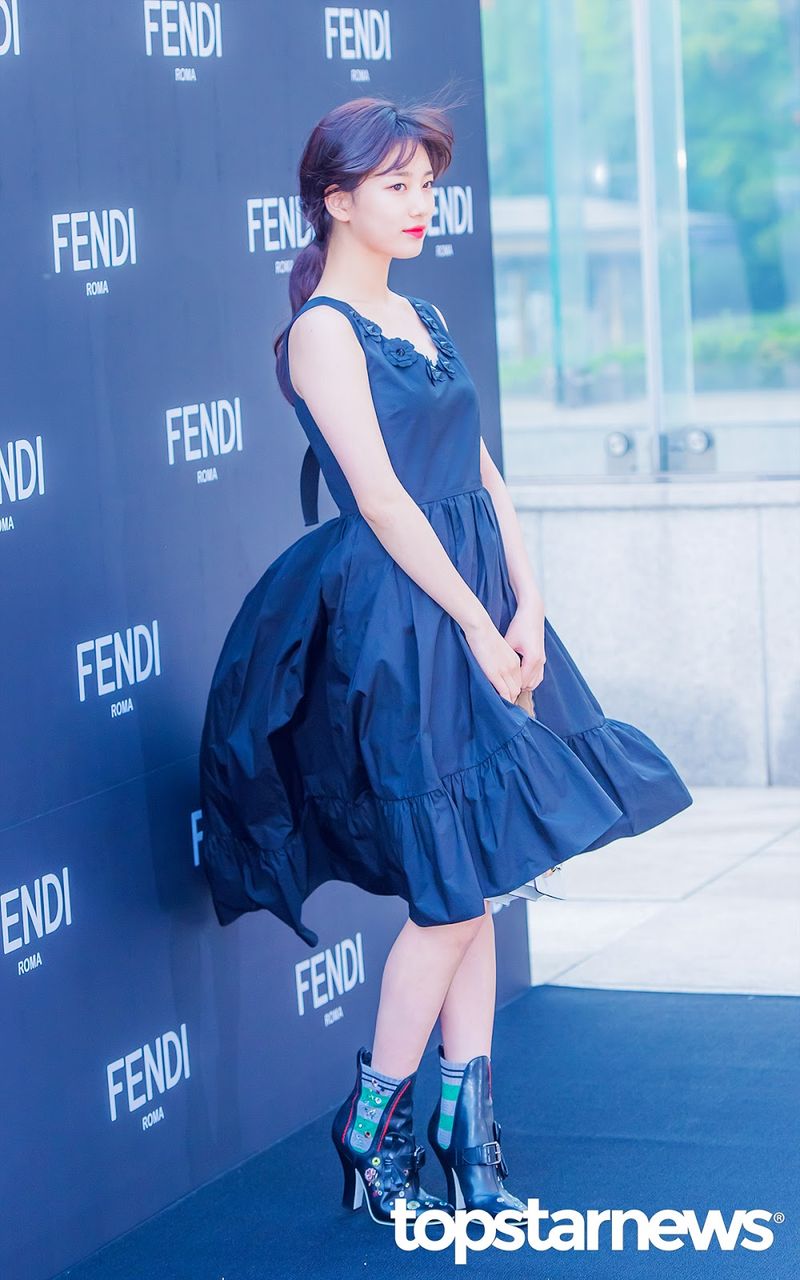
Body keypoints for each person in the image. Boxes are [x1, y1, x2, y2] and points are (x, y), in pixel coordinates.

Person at [198, 95, 693, 1227]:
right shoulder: (324, 330)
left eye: (427, 185)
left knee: (477, 874)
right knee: (450, 887)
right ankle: (373, 1119)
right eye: (397, 186)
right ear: (337, 200)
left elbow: (481, 473)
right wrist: (474, 620)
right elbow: (380, 499)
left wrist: (529, 599)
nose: (422, 205)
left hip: (478, 598)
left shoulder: (421, 313)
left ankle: (466, 1138)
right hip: (404, 619)